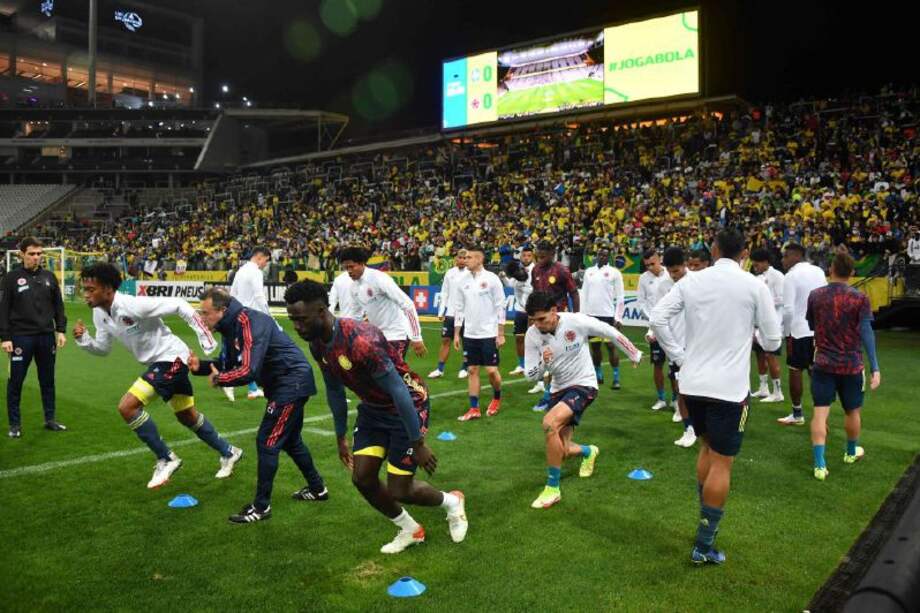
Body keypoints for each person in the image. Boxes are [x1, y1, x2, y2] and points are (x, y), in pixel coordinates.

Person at [284, 280, 468, 553]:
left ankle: (452, 503)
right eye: (292, 320)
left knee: (400, 489)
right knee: (362, 478)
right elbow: (334, 391)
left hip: (407, 405)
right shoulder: (317, 344)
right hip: (373, 409)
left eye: (301, 320)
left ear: (322, 311)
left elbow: (398, 390)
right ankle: (410, 530)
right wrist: (340, 437)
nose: (297, 327)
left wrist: (417, 443)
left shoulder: (360, 340)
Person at [650, 228, 781, 565]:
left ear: (714, 249)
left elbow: (657, 318)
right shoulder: (754, 285)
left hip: (692, 384)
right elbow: (774, 339)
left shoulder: (692, 281)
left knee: (707, 447)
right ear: (746, 252)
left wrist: (679, 355)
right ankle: (704, 545)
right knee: (722, 461)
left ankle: (704, 524)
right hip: (729, 390)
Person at [73, 263, 242, 489]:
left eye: (90, 289)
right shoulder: (98, 314)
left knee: (127, 407)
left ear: (107, 289)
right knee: (186, 416)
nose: (86, 295)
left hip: (172, 359)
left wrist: (206, 337)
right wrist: (84, 340)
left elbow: (179, 305)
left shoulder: (131, 305)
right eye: (84, 289)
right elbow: (103, 348)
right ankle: (229, 452)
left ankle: (166, 458)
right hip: (160, 363)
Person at [192, 288, 327, 523]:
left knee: (267, 442)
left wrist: (220, 379)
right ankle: (317, 489)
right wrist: (200, 367)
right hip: (286, 383)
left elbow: (248, 370)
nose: (202, 318)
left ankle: (261, 507)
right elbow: (226, 363)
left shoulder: (249, 322)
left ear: (222, 310)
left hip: (291, 382)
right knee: (292, 442)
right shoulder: (230, 326)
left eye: (205, 313)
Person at [524, 291, 642, 508]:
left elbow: (609, 331)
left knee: (549, 424)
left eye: (542, 319)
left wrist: (633, 353)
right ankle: (589, 451)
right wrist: (543, 363)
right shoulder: (532, 335)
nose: (538, 325)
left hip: (584, 384)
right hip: (558, 389)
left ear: (554, 310)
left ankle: (552, 489)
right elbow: (530, 375)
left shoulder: (575, 321)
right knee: (564, 450)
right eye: (533, 320)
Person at [807, 252, 881, 481]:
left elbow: (811, 323)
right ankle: (851, 452)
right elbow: (867, 333)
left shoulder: (816, 295)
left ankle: (820, 465)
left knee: (820, 413)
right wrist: (875, 367)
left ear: (831, 270)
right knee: (852, 411)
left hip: (823, 363)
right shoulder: (860, 298)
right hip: (851, 365)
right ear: (851, 273)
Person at [1, 237, 67, 438]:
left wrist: (61, 330)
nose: (36, 257)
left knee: (47, 380)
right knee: (16, 381)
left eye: (39, 254)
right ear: (21, 254)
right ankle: (15, 424)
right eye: (31, 254)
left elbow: (58, 306)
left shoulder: (49, 277)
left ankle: (50, 419)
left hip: (46, 337)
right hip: (21, 338)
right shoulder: (11, 278)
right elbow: (3, 309)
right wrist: (5, 337)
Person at [340, 246, 426, 359]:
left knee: (394, 373)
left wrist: (416, 337)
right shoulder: (353, 288)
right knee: (379, 375)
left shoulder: (379, 278)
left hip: (396, 334)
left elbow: (407, 304)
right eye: (346, 268)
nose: (349, 271)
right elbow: (355, 317)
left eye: (351, 266)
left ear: (362, 263)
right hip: (376, 337)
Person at [454, 246, 506, 421]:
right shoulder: (463, 281)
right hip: (470, 334)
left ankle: (497, 398)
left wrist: (500, 333)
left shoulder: (492, 279)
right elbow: (459, 308)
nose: (465, 259)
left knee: (492, 371)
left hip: (489, 334)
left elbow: (500, 306)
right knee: (472, 370)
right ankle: (474, 408)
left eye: (469, 257)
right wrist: (456, 334)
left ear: (479, 259)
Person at [777, 244, 827, 426]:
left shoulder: (790, 276)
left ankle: (797, 414)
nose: (783, 260)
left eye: (785, 256)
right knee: (816, 372)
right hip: (818, 330)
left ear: (796, 256)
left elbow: (789, 309)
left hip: (798, 330)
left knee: (795, 370)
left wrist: (786, 332)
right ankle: (821, 415)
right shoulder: (819, 272)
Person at [530, 241, 579, 410]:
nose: (540, 258)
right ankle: (552, 393)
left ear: (552, 254)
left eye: (544, 255)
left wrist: (576, 316)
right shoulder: (535, 270)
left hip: (559, 319)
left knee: (555, 357)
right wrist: (533, 315)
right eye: (539, 255)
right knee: (545, 355)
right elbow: (535, 293)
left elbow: (573, 292)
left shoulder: (562, 270)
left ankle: (549, 396)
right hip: (542, 320)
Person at [658, 247, 697, 448]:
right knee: (682, 387)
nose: (673, 275)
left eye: (676, 271)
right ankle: (689, 428)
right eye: (670, 271)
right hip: (676, 345)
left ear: (685, 265)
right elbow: (659, 314)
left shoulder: (696, 282)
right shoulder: (664, 285)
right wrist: (651, 331)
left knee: (698, 388)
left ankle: (698, 426)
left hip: (698, 344)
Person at [229, 246, 272, 401]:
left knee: (248, 352)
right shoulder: (256, 272)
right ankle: (231, 381)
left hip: (239, 316)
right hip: (252, 318)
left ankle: (252, 388)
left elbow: (232, 294)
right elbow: (259, 296)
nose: (264, 265)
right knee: (255, 352)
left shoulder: (241, 271)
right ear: (260, 257)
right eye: (265, 261)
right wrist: (269, 317)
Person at [581, 247, 626, 390]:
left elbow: (620, 297)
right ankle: (599, 374)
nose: (602, 257)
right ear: (597, 256)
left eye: (605, 255)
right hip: (591, 316)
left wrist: (618, 317)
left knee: (611, 346)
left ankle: (616, 377)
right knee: (595, 347)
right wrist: (582, 315)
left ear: (609, 257)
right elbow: (584, 294)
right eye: (600, 254)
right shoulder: (589, 272)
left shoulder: (614, 273)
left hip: (607, 316)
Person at [637, 249, 671, 411]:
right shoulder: (643, 279)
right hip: (655, 328)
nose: (650, 267)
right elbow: (642, 302)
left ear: (660, 259)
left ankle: (677, 400)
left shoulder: (671, 275)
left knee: (675, 366)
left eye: (652, 263)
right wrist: (653, 323)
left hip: (673, 328)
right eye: (647, 265)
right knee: (658, 364)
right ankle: (661, 398)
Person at [750, 249, 785, 403]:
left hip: (773, 323)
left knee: (771, 356)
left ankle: (777, 391)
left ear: (766, 262)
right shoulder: (757, 278)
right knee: (759, 355)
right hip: (758, 324)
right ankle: (763, 388)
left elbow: (782, 299)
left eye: (756, 263)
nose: (754, 265)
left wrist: (765, 302)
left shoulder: (777, 276)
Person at [429, 249, 470, 379]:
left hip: (467, 314)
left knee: (466, 341)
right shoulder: (449, 273)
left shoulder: (472, 273)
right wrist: (441, 311)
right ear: (455, 259)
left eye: (465, 258)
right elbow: (444, 292)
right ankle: (440, 369)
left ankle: (465, 367)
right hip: (451, 313)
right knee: (445, 340)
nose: (462, 260)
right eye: (460, 258)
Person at [500, 247, 536, 381]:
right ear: (521, 257)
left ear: (532, 257)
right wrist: (504, 278)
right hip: (520, 310)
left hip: (533, 310)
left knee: (534, 340)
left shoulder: (536, 270)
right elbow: (511, 284)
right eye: (524, 255)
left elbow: (536, 287)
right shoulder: (517, 270)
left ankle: (536, 365)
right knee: (519, 338)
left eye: (528, 255)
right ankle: (522, 365)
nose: (526, 258)